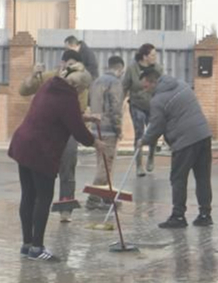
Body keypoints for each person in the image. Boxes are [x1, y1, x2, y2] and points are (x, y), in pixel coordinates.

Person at [7, 61, 96, 261]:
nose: (81, 93)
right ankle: (37, 248)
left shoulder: (50, 84)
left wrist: (87, 119)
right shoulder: (68, 97)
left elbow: (58, 114)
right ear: (76, 85)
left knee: (28, 195)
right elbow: (78, 131)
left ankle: (27, 245)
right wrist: (96, 143)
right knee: (44, 198)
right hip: (40, 150)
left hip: (23, 144)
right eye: (82, 89)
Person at [138, 66, 214, 228]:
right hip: (203, 135)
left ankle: (178, 216)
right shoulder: (182, 85)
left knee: (178, 178)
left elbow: (156, 127)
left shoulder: (158, 100)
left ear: (153, 82)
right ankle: (205, 215)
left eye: (145, 86)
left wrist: (143, 140)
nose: (145, 90)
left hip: (184, 141)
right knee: (203, 177)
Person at [51, 50, 92, 220]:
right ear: (62, 64)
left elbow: (79, 111)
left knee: (68, 168)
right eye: (68, 64)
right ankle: (40, 204)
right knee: (45, 170)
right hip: (51, 130)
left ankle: (66, 208)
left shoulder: (81, 84)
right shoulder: (52, 78)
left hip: (70, 131)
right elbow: (25, 90)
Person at [86, 55, 127, 210]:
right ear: (120, 69)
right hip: (109, 129)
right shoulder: (115, 83)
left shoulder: (96, 82)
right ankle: (93, 198)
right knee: (106, 166)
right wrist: (118, 128)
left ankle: (107, 196)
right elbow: (116, 108)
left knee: (102, 163)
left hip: (96, 128)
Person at [122, 43, 160, 176]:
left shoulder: (158, 68)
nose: (155, 57)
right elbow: (124, 86)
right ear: (144, 56)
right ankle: (139, 165)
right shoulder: (132, 69)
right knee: (139, 133)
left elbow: (162, 86)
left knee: (153, 133)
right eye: (152, 55)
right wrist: (119, 104)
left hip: (153, 106)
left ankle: (151, 156)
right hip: (137, 104)